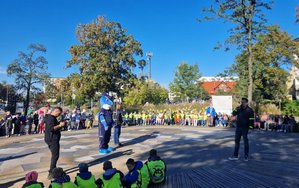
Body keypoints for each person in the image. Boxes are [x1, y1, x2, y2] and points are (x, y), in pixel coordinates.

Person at [44, 107, 66, 179]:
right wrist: (60, 125)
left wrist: (60, 125)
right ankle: (51, 172)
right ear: (55, 111)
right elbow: (51, 128)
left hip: (51, 138)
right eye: (58, 113)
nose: (59, 115)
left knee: (55, 155)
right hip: (52, 139)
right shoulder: (51, 118)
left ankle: (54, 170)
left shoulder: (51, 117)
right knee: (55, 155)